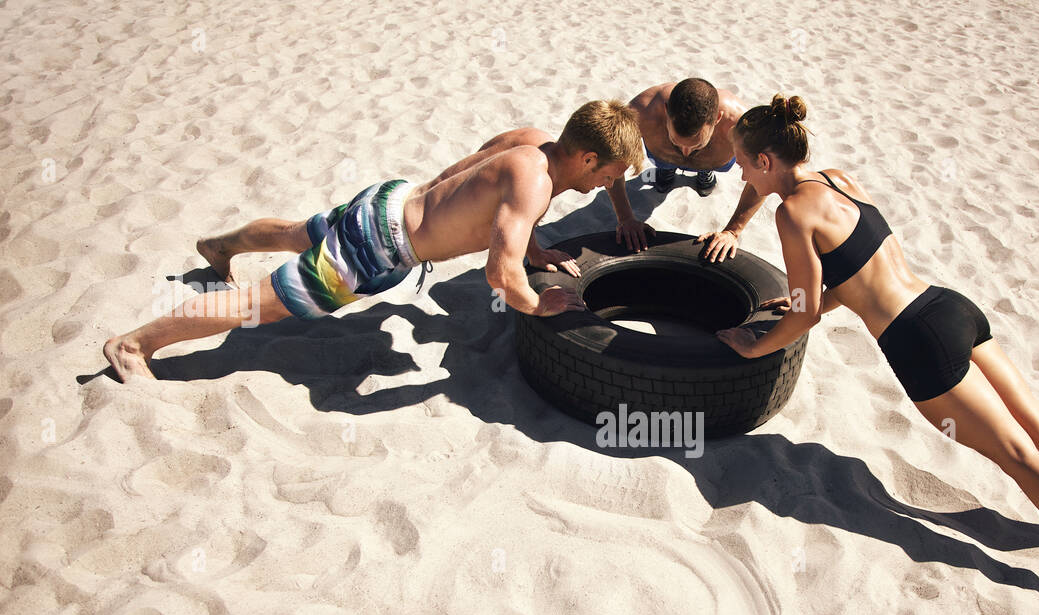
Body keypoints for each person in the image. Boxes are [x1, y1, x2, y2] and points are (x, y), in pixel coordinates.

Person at [715, 95, 1039, 605]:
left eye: (743, 165)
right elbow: (858, 271)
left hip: (917, 342)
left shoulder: (790, 215)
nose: (744, 178)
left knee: (1015, 454)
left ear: (765, 161)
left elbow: (805, 315)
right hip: (947, 307)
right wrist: (808, 297)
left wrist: (755, 347)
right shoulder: (837, 179)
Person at [102, 101, 642, 380]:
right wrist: (538, 303)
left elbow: (475, 185)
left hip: (387, 199)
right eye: (611, 174)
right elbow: (499, 276)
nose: (608, 185)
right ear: (588, 157)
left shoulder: (531, 143)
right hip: (378, 248)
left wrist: (534, 249)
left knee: (297, 233)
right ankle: (134, 344)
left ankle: (221, 248)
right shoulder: (536, 186)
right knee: (257, 307)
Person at [606, 78, 766, 262]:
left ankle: (705, 171)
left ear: (717, 119)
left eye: (697, 145)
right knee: (665, 160)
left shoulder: (740, 123)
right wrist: (625, 218)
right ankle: (666, 167)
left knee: (704, 160)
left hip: (714, 161)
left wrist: (733, 231)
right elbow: (610, 161)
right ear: (666, 112)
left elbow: (763, 176)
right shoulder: (641, 112)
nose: (686, 152)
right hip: (661, 157)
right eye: (676, 142)